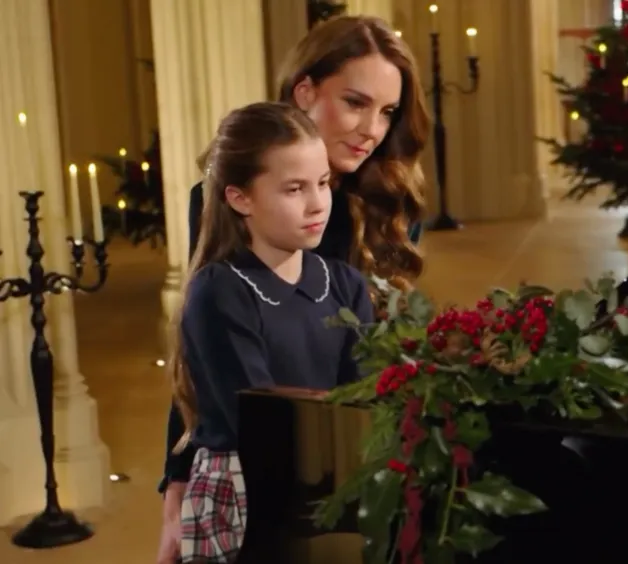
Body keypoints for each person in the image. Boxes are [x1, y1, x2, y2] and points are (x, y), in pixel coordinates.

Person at [157, 16, 429, 563]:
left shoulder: (390, 206)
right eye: (356, 102)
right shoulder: (224, 203)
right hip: (258, 457)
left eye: (387, 111)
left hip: (348, 453)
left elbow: (379, 365)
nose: (372, 129)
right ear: (306, 91)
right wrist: (177, 486)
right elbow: (208, 353)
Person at [167, 101, 375, 563]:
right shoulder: (221, 291)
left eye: (323, 183)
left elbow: (364, 395)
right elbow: (262, 420)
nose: (318, 202)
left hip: (331, 478)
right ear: (240, 197)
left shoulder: (344, 284)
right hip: (244, 492)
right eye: (294, 189)